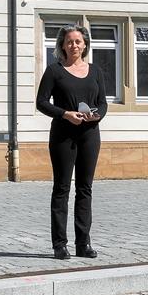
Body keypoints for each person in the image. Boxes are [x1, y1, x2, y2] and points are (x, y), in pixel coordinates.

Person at [36, 24, 108, 260]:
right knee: (62, 188)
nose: (74, 45)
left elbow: (103, 103)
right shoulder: (54, 70)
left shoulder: (95, 71)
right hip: (63, 135)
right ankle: (59, 244)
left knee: (85, 189)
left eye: (78, 41)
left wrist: (96, 115)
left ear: (85, 44)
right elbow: (42, 102)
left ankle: (83, 243)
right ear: (62, 45)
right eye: (69, 41)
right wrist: (65, 114)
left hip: (89, 134)